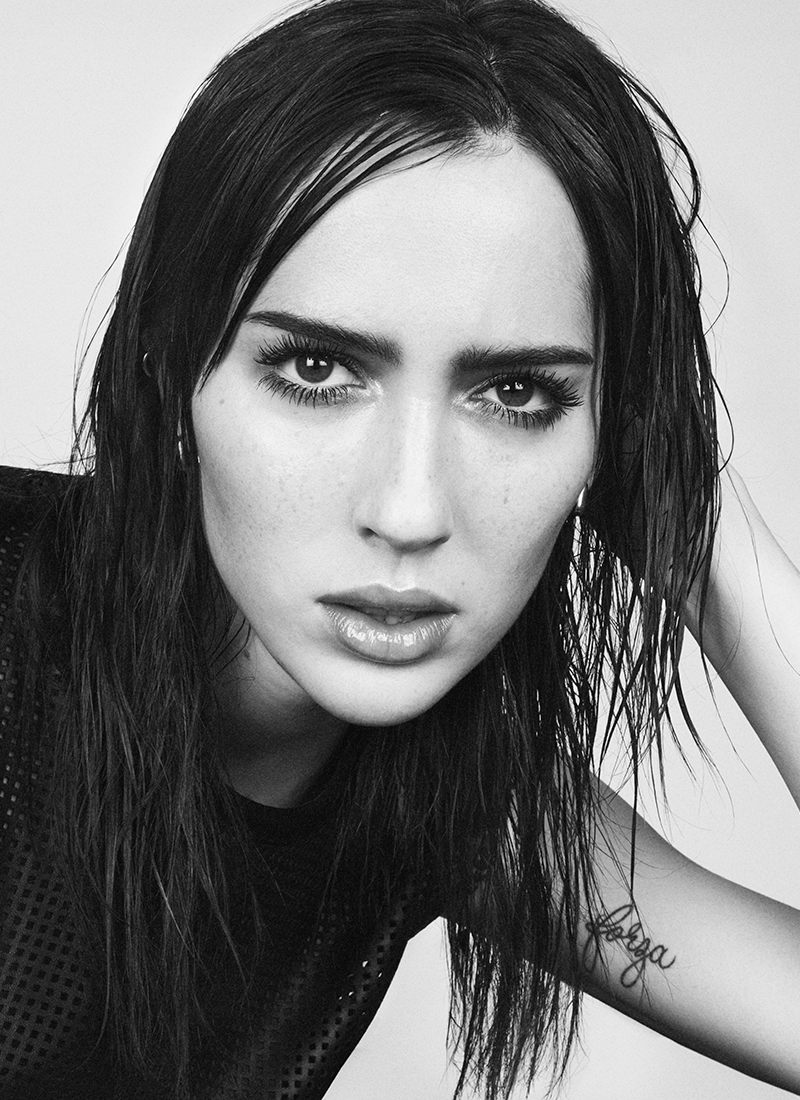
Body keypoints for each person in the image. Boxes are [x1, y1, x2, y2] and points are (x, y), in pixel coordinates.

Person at [0, 1, 798, 1098]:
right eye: (318, 370)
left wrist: (690, 518)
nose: (411, 506)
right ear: (166, 368)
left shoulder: (455, 803)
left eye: (516, 392)